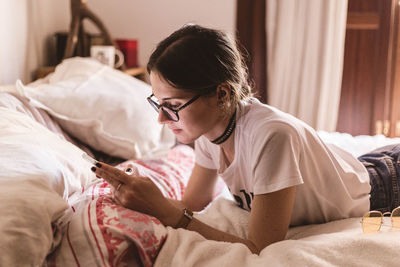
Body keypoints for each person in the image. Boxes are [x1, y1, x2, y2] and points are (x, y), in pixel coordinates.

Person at [91, 24, 400, 254]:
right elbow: (192, 204)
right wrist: (142, 197)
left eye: (172, 106)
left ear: (222, 93)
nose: (161, 119)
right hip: (363, 167)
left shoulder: (271, 135)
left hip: (386, 187)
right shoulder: (209, 130)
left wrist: (165, 211)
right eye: (158, 104)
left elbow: (259, 246)